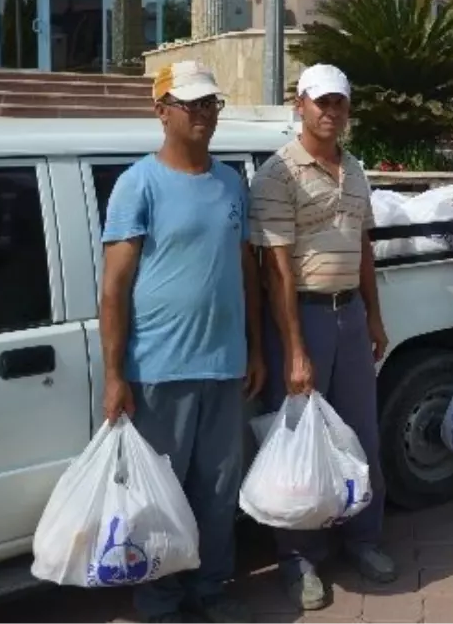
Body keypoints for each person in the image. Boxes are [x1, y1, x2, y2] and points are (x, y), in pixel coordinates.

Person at [99, 60, 264, 624]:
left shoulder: (229, 183)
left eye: (210, 103)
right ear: (160, 110)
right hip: (158, 372)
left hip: (224, 366)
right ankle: (161, 602)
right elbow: (114, 288)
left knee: (217, 492)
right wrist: (116, 374)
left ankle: (213, 588)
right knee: (160, 497)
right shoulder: (137, 184)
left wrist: (256, 349)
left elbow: (247, 272)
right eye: (190, 103)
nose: (202, 114)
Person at [248, 64, 396, 611]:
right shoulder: (278, 174)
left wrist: (373, 317)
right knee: (298, 445)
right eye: (321, 103)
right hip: (301, 317)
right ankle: (298, 558)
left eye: (340, 104)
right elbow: (276, 269)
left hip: (349, 316)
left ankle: (363, 538)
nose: (331, 113)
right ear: (300, 105)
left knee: (361, 436)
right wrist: (294, 349)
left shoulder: (354, 170)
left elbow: (362, 248)